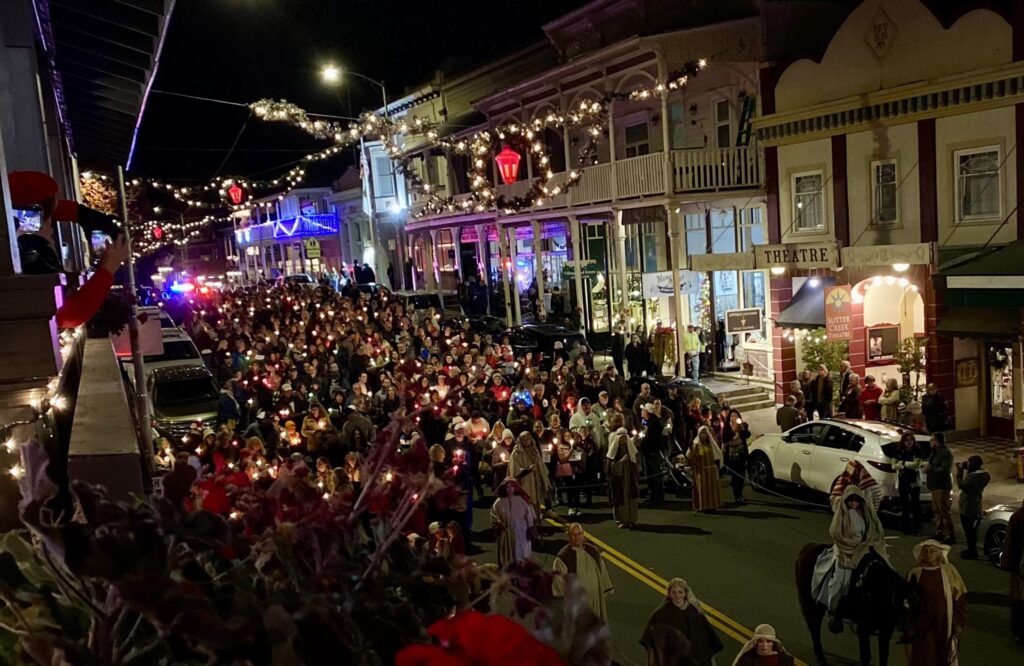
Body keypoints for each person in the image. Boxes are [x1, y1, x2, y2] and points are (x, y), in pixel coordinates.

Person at [8, 170, 128, 329]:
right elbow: (67, 315)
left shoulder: (17, 231)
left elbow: (56, 209)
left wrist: (84, 215)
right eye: (49, 220)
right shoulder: (31, 252)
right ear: (30, 217)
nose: (51, 226)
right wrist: (107, 270)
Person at [811, 484, 888, 633]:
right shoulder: (841, 515)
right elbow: (836, 534)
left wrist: (864, 545)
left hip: (862, 551)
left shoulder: (864, 514)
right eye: (850, 500)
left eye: (856, 500)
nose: (854, 503)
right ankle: (834, 611)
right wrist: (851, 547)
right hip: (844, 552)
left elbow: (870, 532)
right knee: (839, 582)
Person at [905, 539, 967, 666]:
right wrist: (909, 624)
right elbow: (907, 600)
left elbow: (959, 597)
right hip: (923, 622)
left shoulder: (949, 571)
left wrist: (958, 621)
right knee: (925, 655)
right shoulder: (916, 572)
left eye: (932, 551)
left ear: (939, 553)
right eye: (926, 552)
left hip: (943, 621)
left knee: (943, 655)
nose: (929, 555)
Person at [640, 578, 724, 666]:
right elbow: (652, 640)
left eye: (680, 592)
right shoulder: (661, 614)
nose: (677, 596)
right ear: (669, 594)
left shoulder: (694, 611)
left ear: (685, 593)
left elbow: (705, 636)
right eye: (674, 592)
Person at [552, 523, 614, 623]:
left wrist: (605, 587)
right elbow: (558, 583)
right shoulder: (563, 558)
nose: (576, 537)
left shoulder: (593, 551)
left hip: (595, 597)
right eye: (573, 535)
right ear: (568, 536)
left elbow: (602, 570)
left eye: (579, 534)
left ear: (583, 534)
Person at [490, 478, 537, 567]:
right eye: (507, 487)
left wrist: (531, 528)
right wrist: (498, 524)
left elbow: (529, 516)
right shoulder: (499, 502)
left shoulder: (522, 501)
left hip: (521, 532)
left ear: (516, 488)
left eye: (512, 486)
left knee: (521, 553)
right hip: (506, 533)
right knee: (507, 554)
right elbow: (493, 515)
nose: (509, 489)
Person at [508, 431, 549, 523]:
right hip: (524, 482)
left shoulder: (534, 451)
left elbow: (541, 466)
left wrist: (544, 479)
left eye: (528, 439)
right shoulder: (517, 453)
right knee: (526, 503)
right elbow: (514, 470)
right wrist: (528, 469)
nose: (526, 441)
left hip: (535, 481)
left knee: (536, 503)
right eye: (524, 440)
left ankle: (536, 523)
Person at [956, 454, 989, 560]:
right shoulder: (984, 475)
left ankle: (972, 551)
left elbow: (961, 485)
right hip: (976, 504)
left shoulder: (972, 478)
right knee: (972, 529)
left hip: (967, 506)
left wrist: (960, 471)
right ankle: (971, 549)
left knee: (969, 530)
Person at [925, 431, 955, 544]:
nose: (930, 441)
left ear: (938, 441)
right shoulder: (934, 452)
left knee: (944, 511)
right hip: (934, 485)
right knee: (936, 511)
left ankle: (949, 535)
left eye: (932, 439)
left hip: (942, 486)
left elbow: (944, 470)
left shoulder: (946, 453)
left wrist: (930, 469)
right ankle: (939, 532)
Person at [606, 427, 639, 529]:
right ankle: (620, 520)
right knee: (620, 498)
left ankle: (632, 519)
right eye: (622, 437)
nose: (624, 440)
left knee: (631, 498)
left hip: (629, 478)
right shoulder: (614, 450)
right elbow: (609, 466)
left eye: (625, 437)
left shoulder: (630, 448)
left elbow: (635, 461)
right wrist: (621, 462)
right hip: (619, 479)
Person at [1001, 499, 1024, 644]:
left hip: (1019, 566)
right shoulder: (1019, 517)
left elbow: (1009, 543)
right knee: (1019, 600)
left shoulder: (1018, 517)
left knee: (1019, 600)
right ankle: (1019, 630)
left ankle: (1019, 630)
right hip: (1021, 566)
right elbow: (1011, 544)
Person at [894, 432, 925, 535]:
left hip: (914, 480)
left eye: (910, 440)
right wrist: (906, 465)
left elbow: (916, 465)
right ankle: (905, 528)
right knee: (905, 505)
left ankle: (917, 528)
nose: (909, 443)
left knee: (915, 504)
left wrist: (902, 463)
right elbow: (893, 465)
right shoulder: (898, 450)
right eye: (907, 441)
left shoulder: (917, 450)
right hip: (903, 480)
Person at [688, 426, 722, 512]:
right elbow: (691, 458)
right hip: (701, 471)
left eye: (705, 434)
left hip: (711, 470)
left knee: (711, 489)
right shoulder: (696, 445)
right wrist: (691, 451)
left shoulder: (711, 444)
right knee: (703, 489)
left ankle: (712, 505)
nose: (704, 436)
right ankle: (703, 506)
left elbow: (717, 455)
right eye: (702, 434)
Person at [731, 624, 795, 666]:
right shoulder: (747, 660)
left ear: (773, 643)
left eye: (768, 641)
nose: (764, 645)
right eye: (760, 641)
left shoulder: (786, 660)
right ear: (756, 642)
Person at [640, 403, 666, 504]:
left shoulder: (653, 424)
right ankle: (655, 495)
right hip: (651, 453)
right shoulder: (651, 423)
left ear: (648, 412)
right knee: (653, 474)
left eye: (643, 410)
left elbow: (651, 440)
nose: (642, 412)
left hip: (652, 453)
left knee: (654, 475)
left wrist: (643, 446)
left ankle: (657, 496)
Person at [721, 420, 749, 504]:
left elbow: (748, 434)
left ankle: (740, 494)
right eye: (734, 425)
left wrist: (743, 428)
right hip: (732, 459)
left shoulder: (741, 433)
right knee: (735, 478)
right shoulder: (729, 435)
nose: (736, 427)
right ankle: (737, 496)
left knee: (741, 477)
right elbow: (725, 440)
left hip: (741, 458)